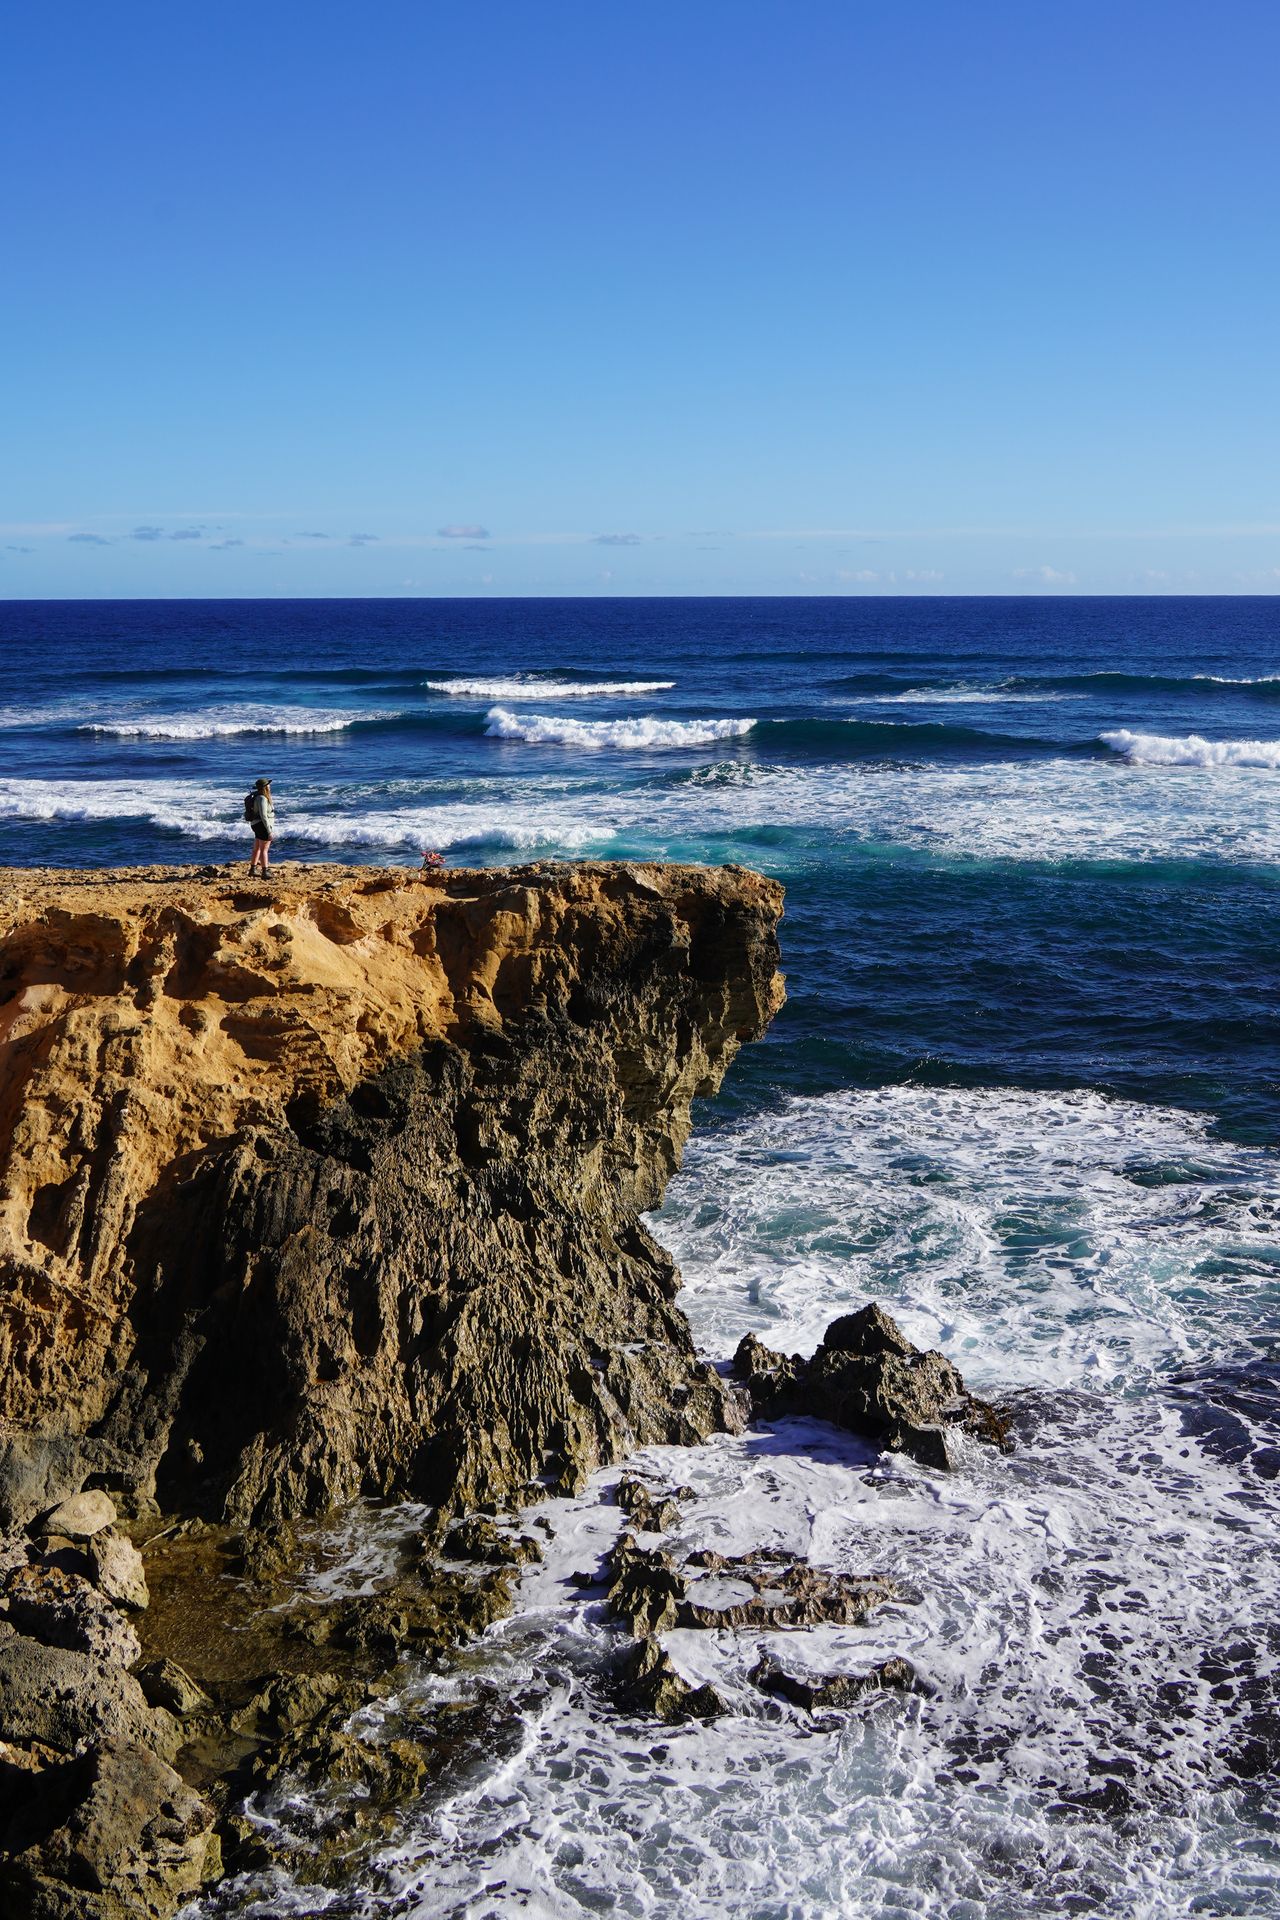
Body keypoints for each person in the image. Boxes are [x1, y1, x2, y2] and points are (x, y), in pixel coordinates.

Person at [245, 777, 275, 873]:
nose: (270, 786)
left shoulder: (258, 797)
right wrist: (269, 831)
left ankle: (253, 869)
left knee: (257, 848)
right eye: (268, 784)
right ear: (265, 787)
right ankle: (265, 871)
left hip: (256, 824)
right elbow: (263, 815)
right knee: (264, 850)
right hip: (262, 825)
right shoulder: (262, 798)